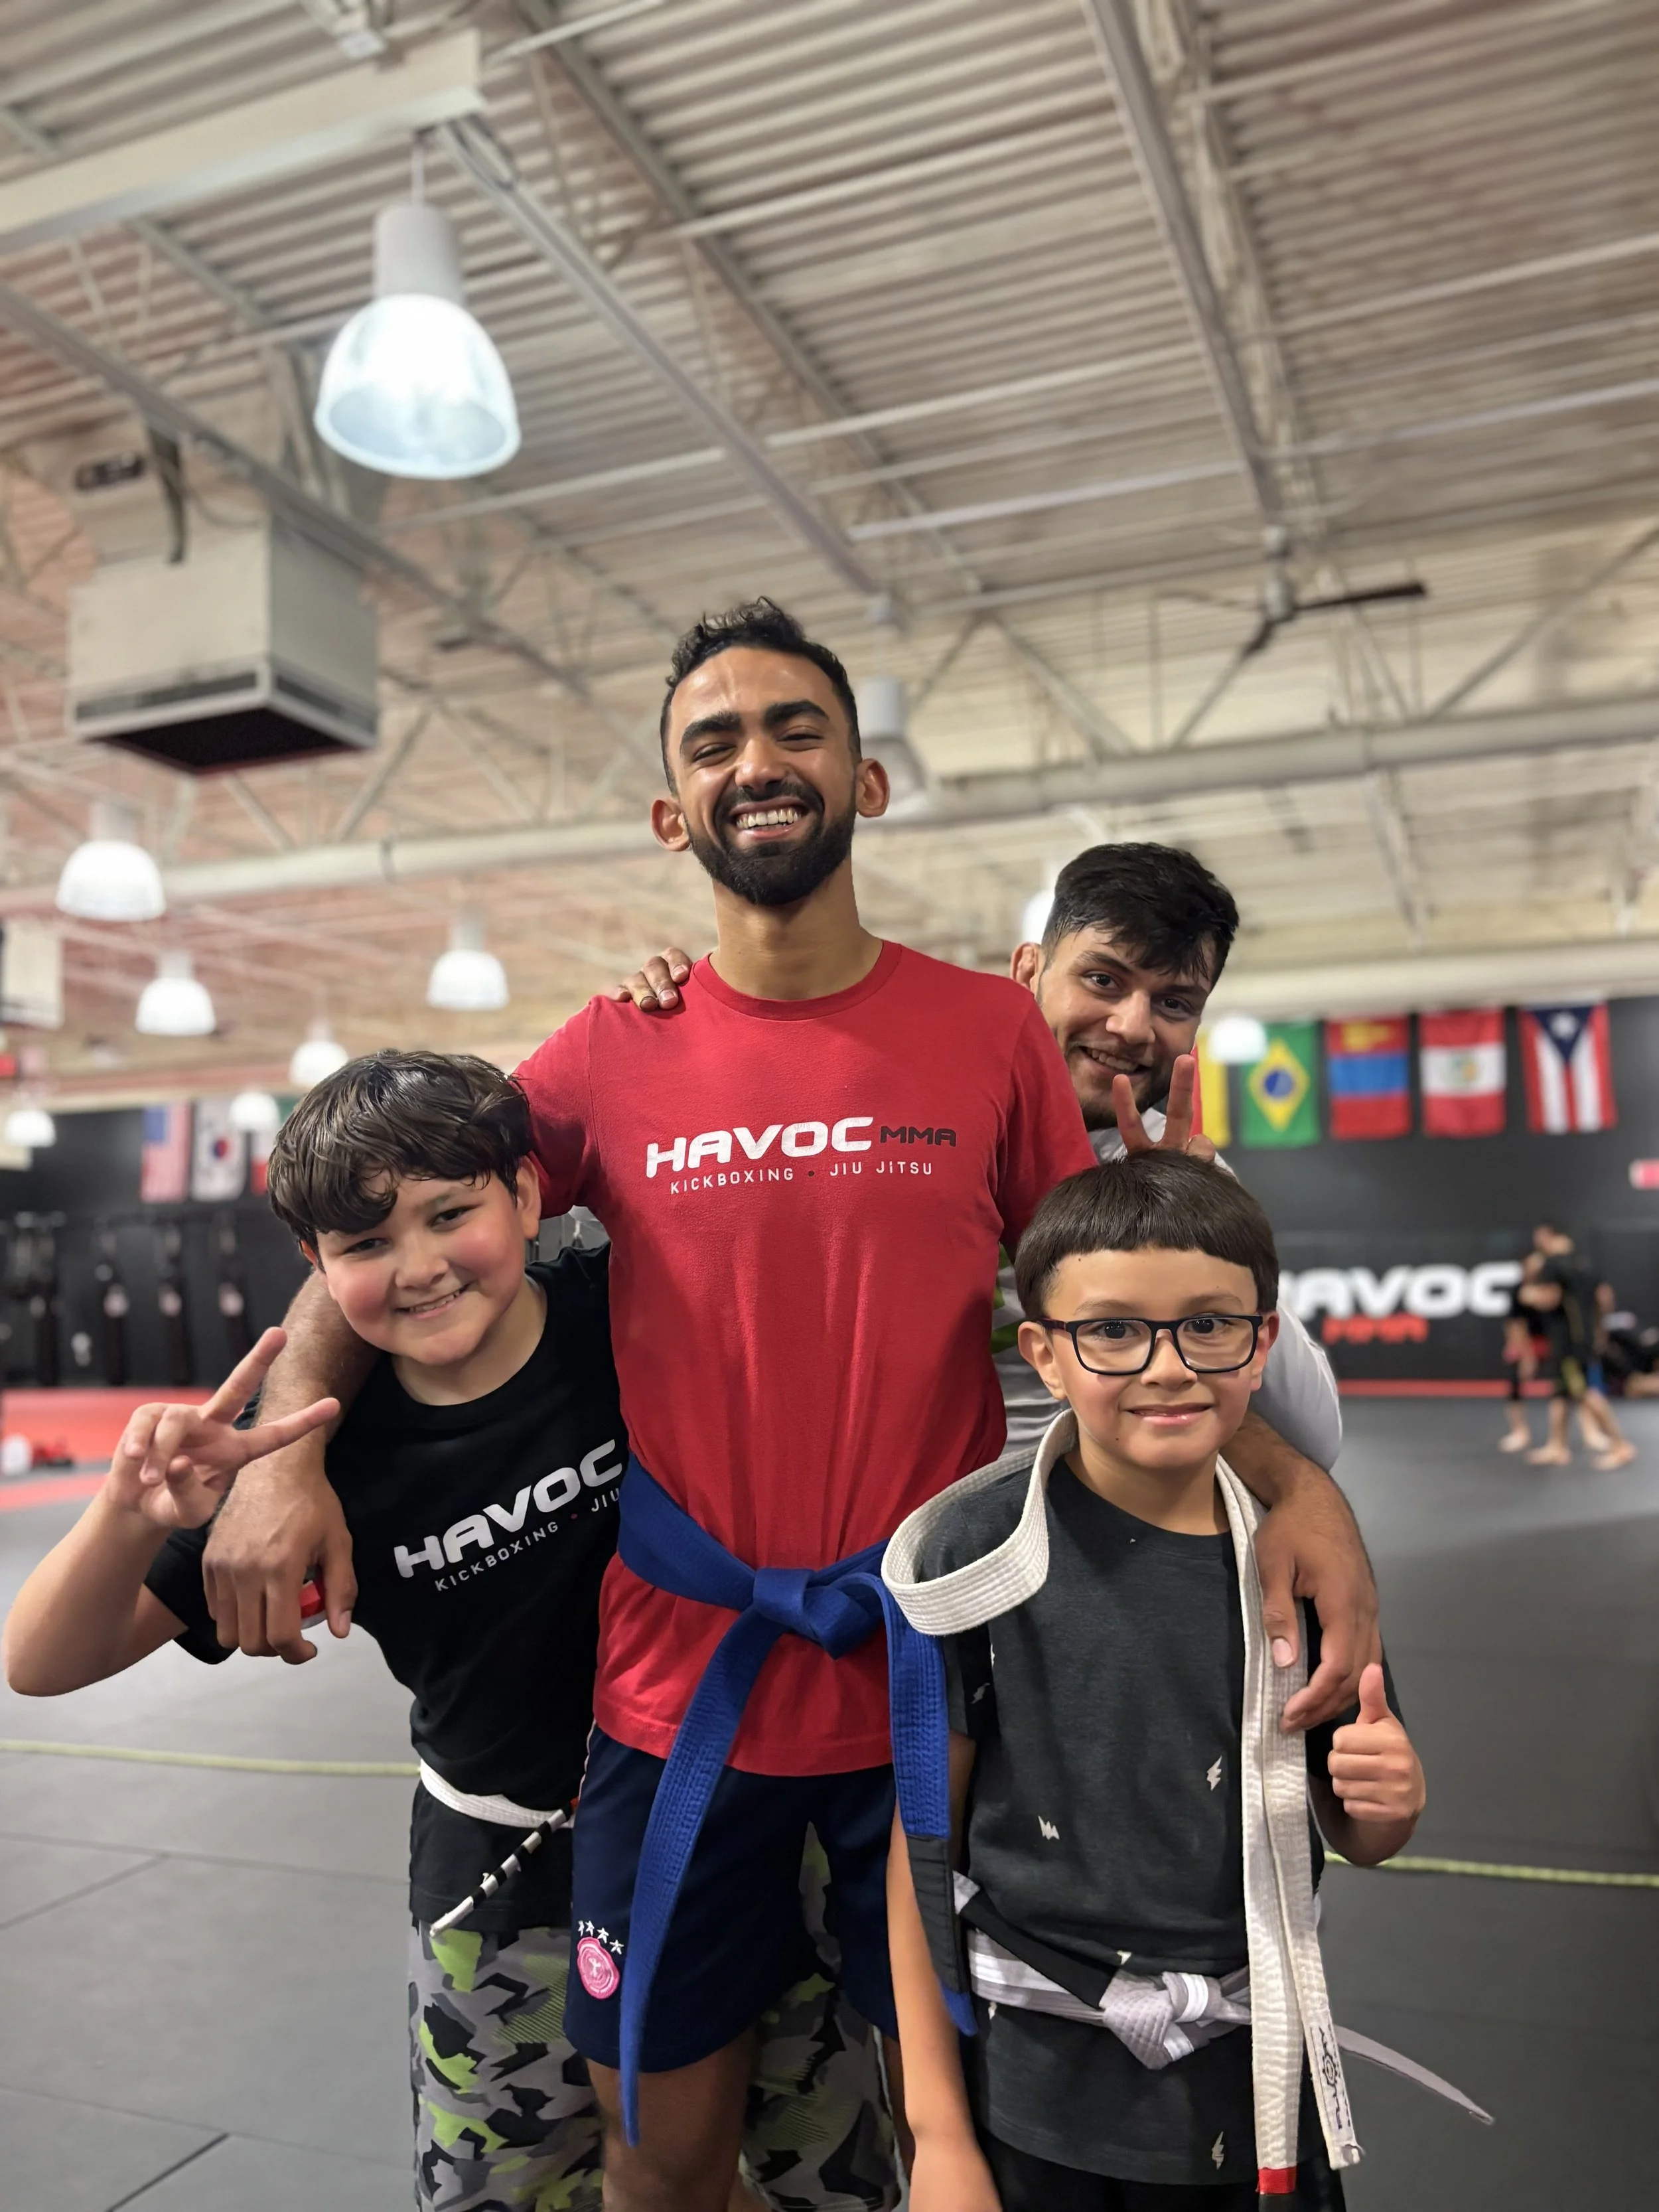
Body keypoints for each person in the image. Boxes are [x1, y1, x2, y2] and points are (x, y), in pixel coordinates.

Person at [193, 601, 1379, 2212]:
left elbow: (1106, 1310)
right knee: (661, 2160)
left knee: (957, 2157)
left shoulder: (983, 1037)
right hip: (677, 1699)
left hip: (944, 1711)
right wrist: (287, 1455)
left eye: (796, 729)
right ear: (672, 814)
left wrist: (1295, 1486)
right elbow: (395, 1218)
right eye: (714, 742)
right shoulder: (617, 1046)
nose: (759, 760)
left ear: (864, 781)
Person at [1, 1051, 896, 2212]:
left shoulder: (624, 1309)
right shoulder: (322, 1450)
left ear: (527, 1197)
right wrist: (130, 1511)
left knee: (822, 2164)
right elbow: (40, 1658)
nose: (418, 1267)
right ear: (318, 1267)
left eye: (450, 1215)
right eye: (367, 1245)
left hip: (738, 1817)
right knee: (508, 2185)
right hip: (509, 1865)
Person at [881, 1153, 1425, 2210]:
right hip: (1028, 2091)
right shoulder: (974, 1555)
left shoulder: (1302, 1559)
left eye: (1209, 1325)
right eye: (1113, 1330)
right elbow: (918, 1846)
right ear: (1042, 1351)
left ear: (1263, 1342)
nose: (1167, 1366)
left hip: (1253, 2083)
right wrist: (936, 2130)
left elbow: (1358, 1829)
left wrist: (1386, 1799)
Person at [1528, 1225, 1635, 1470]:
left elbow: (1550, 1298)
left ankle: (1621, 1445)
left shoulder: (1553, 1265)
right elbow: (1605, 1299)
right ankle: (1557, 1447)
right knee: (1560, 1394)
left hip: (1568, 1343)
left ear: (1547, 1236)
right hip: (1582, 1339)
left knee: (1586, 1392)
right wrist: (1597, 1331)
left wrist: (1529, 1293)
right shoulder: (1585, 1264)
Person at [1498, 1250, 1551, 1454]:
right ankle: (1520, 1432)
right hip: (1524, 1342)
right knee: (1514, 1386)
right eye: (1532, 1264)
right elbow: (1514, 1325)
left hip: (1549, 1341)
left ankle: (1589, 1430)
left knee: (1570, 1387)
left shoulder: (1551, 1289)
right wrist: (1526, 1356)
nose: (1536, 1268)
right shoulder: (1517, 1292)